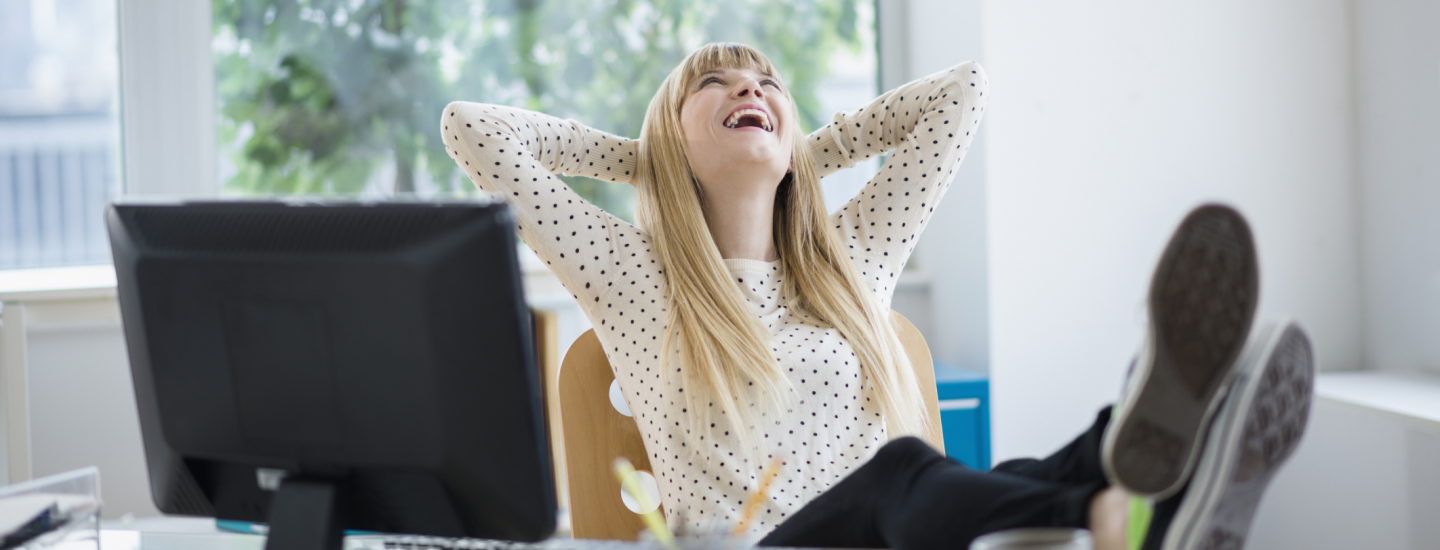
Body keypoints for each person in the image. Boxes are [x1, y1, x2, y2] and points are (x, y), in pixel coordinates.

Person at [440, 42, 1314, 549]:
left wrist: (800, 151)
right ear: (670, 137)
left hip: (893, 533)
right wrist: (647, 157)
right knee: (901, 473)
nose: (750, 88)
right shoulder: (635, 278)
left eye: (767, 83)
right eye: (714, 83)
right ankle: (1112, 513)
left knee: (1040, 465)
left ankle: (1167, 466)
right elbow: (471, 130)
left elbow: (961, 95)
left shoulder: (851, 261)